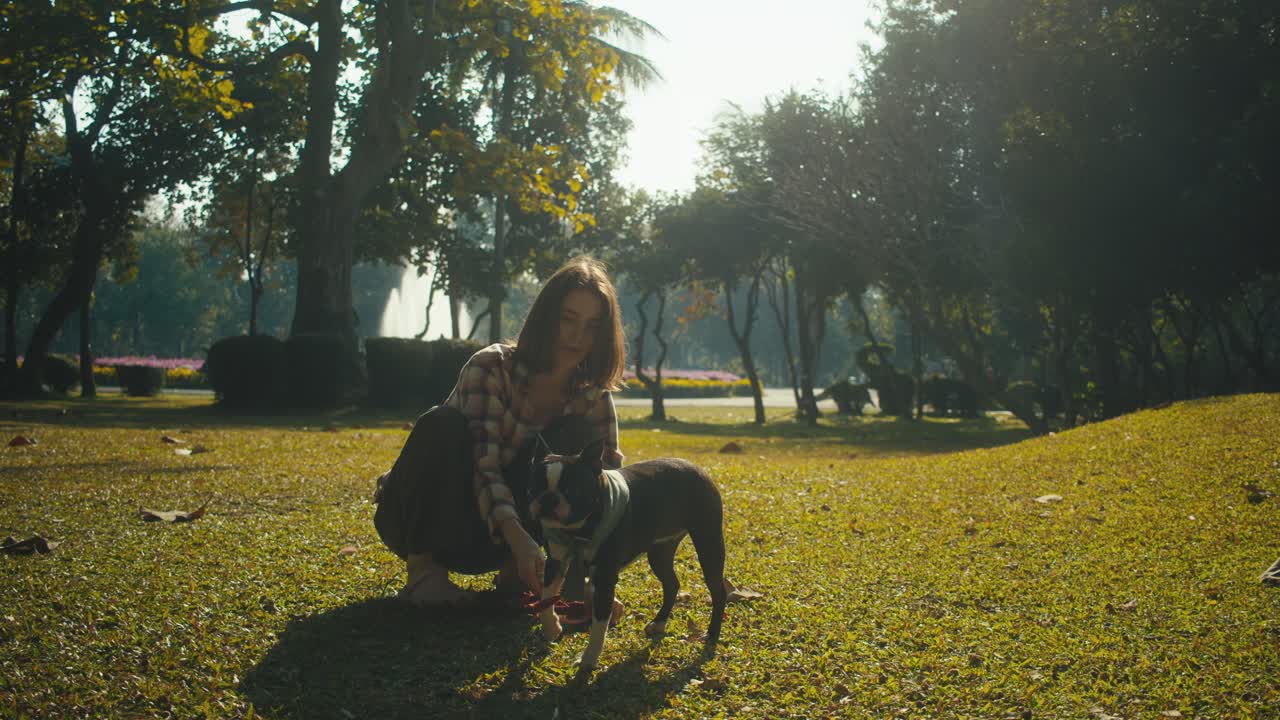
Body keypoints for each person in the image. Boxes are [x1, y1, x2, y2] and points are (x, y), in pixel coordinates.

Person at [373, 256, 626, 608]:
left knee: (583, 444)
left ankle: (519, 576)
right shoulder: (491, 367)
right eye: (568, 319)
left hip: (503, 542)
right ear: (546, 317)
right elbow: (484, 466)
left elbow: (609, 491)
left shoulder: (593, 398)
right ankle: (424, 575)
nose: (578, 336)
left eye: (592, 326)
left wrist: (590, 581)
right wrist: (519, 539)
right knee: (441, 423)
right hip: (434, 519)